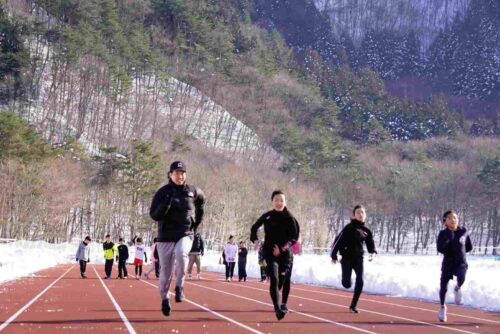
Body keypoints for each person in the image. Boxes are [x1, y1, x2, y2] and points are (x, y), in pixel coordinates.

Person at [150, 161, 205, 317]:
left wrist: (197, 222)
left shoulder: (193, 191)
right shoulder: (162, 192)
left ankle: (180, 287)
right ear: (170, 174)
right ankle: (165, 298)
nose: (180, 176)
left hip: (185, 233)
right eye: (177, 173)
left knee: (182, 253)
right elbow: (154, 215)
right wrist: (166, 205)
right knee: (165, 274)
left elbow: (202, 202)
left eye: (182, 173)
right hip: (165, 237)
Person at [250, 190, 300, 320]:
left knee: (281, 282)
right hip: (270, 252)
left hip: (285, 255)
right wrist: (255, 239)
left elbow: (294, 237)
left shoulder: (290, 218)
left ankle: (282, 302)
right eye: (276, 200)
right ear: (272, 201)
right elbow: (254, 227)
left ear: (285, 202)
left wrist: (282, 249)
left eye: (281, 200)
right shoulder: (267, 216)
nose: (279, 203)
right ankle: (278, 309)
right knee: (274, 278)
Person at [330, 204, 377, 314]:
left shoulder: (367, 231)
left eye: (362, 212)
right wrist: (334, 256)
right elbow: (338, 241)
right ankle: (346, 279)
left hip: (358, 258)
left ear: (365, 215)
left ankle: (353, 305)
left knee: (360, 280)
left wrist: (373, 253)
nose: (360, 214)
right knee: (347, 284)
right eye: (358, 213)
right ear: (354, 215)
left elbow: (371, 246)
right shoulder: (349, 228)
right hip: (346, 258)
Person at [437, 210, 473, 322]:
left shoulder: (463, 231)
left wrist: (460, 252)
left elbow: (469, 247)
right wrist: (447, 242)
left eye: (455, 217)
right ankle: (442, 307)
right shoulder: (443, 233)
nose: (453, 220)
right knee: (443, 287)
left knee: (461, 278)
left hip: (460, 262)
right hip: (448, 263)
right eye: (450, 218)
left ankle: (457, 288)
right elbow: (439, 248)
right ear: (445, 222)